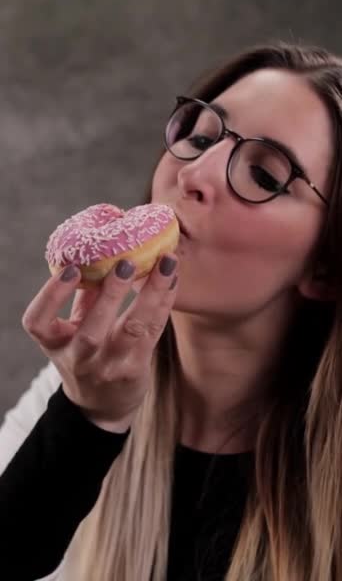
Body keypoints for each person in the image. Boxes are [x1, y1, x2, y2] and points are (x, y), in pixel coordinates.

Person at [0, 41, 341, 581]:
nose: (194, 176)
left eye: (264, 177)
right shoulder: (78, 384)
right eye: (200, 138)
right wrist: (88, 422)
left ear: (325, 268)